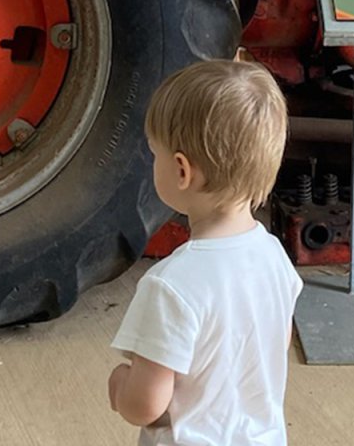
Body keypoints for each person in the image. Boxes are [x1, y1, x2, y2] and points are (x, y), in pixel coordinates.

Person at [107, 60, 302, 446]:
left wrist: (120, 384)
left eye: (155, 154)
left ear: (182, 171)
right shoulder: (274, 257)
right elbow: (272, 348)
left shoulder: (171, 285)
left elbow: (145, 405)